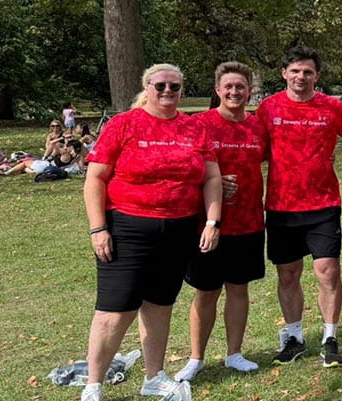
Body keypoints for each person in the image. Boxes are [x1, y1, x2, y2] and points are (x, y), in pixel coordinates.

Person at [79, 63, 222, 401]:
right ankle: (93, 385)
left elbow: (212, 177)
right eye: (160, 86)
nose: (168, 91)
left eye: (175, 86)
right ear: (148, 88)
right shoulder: (123, 124)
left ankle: (154, 376)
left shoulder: (194, 127)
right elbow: (95, 178)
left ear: (182, 90)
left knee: (159, 303)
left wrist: (212, 221)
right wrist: (98, 229)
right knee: (116, 308)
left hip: (179, 228)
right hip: (128, 227)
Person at [257, 45, 342, 367]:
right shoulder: (268, 108)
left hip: (323, 204)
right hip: (281, 206)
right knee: (288, 274)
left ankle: (330, 337)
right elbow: (254, 151)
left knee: (328, 272)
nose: (301, 76)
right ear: (284, 73)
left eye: (308, 72)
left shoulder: (332, 107)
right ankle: (295, 337)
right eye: (295, 71)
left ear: (317, 76)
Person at [173, 61, 267, 382]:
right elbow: (181, 165)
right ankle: (196, 358)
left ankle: (234, 354)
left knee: (239, 288)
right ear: (218, 90)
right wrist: (210, 180)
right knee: (206, 291)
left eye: (240, 86)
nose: (234, 92)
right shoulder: (199, 124)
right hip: (207, 224)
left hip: (249, 221)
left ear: (249, 91)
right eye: (228, 86)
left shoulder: (258, 127)